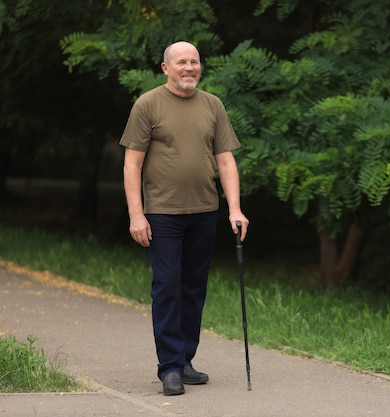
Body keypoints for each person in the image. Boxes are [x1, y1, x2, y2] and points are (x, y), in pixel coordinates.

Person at [119, 41, 249, 396]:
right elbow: (133, 163)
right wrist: (136, 215)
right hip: (162, 214)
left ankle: (185, 359)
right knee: (167, 289)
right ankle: (169, 367)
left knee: (193, 289)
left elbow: (225, 160)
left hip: (205, 211)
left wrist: (234, 209)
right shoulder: (148, 104)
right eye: (181, 63)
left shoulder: (213, 105)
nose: (189, 67)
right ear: (165, 68)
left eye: (194, 62)